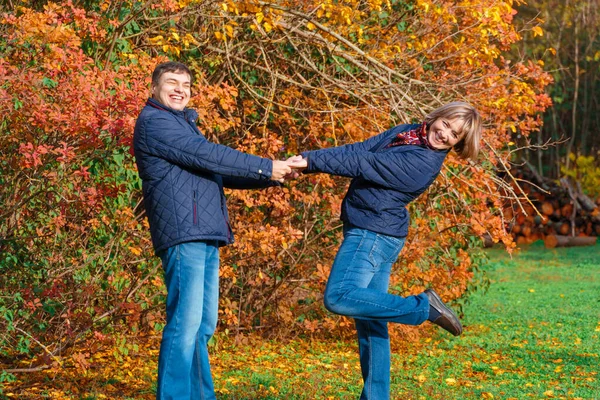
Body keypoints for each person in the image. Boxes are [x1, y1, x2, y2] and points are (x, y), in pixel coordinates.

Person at [133, 61, 301, 400]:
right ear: (154, 88)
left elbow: (215, 170)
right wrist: (266, 166)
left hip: (204, 232)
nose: (180, 88)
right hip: (184, 234)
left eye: (186, 83)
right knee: (185, 324)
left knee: (202, 326)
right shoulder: (156, 123)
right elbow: (208, 155)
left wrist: (273, 176)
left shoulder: (181, 125)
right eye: (171, 82)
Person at [293, 102, 482, 400]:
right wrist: (305, 160)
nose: (444, 134)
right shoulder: (407, 133)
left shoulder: (423, 163)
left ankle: (424, 308)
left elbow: (363, 164)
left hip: (372, 235)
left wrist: (310, 162)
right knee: (372, 324)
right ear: (437, 117)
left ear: (458, 144)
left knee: (339, 296)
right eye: (445, 124)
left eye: (454, 134)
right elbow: (360, 150)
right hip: (377, 232)